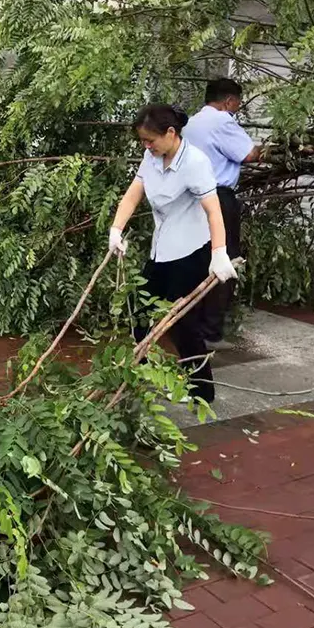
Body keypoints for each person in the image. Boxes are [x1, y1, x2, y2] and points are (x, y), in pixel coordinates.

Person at [107, 102, 237, 404]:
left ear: (170, 133)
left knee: (182, 323)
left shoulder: (195, 162)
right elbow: (133, 192)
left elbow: (214, 211)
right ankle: (136, 374)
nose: (145, 145)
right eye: (142, 141)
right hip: (161, 251)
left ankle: (202, 391)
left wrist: (219, 253)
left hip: (191, 254)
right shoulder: (151, 158)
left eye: (149, 140)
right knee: (138, 309)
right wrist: (116, 229)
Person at [183, 78, 260, 345]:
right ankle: (211, 328)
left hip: (190, 199)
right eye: (237, 103)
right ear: (229, 101)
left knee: (195, 259)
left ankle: (189, 320)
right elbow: (249, 154)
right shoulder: (222, 121)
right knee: (225, 259)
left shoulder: (190, 124)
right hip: (217, 198)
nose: (237, 108)